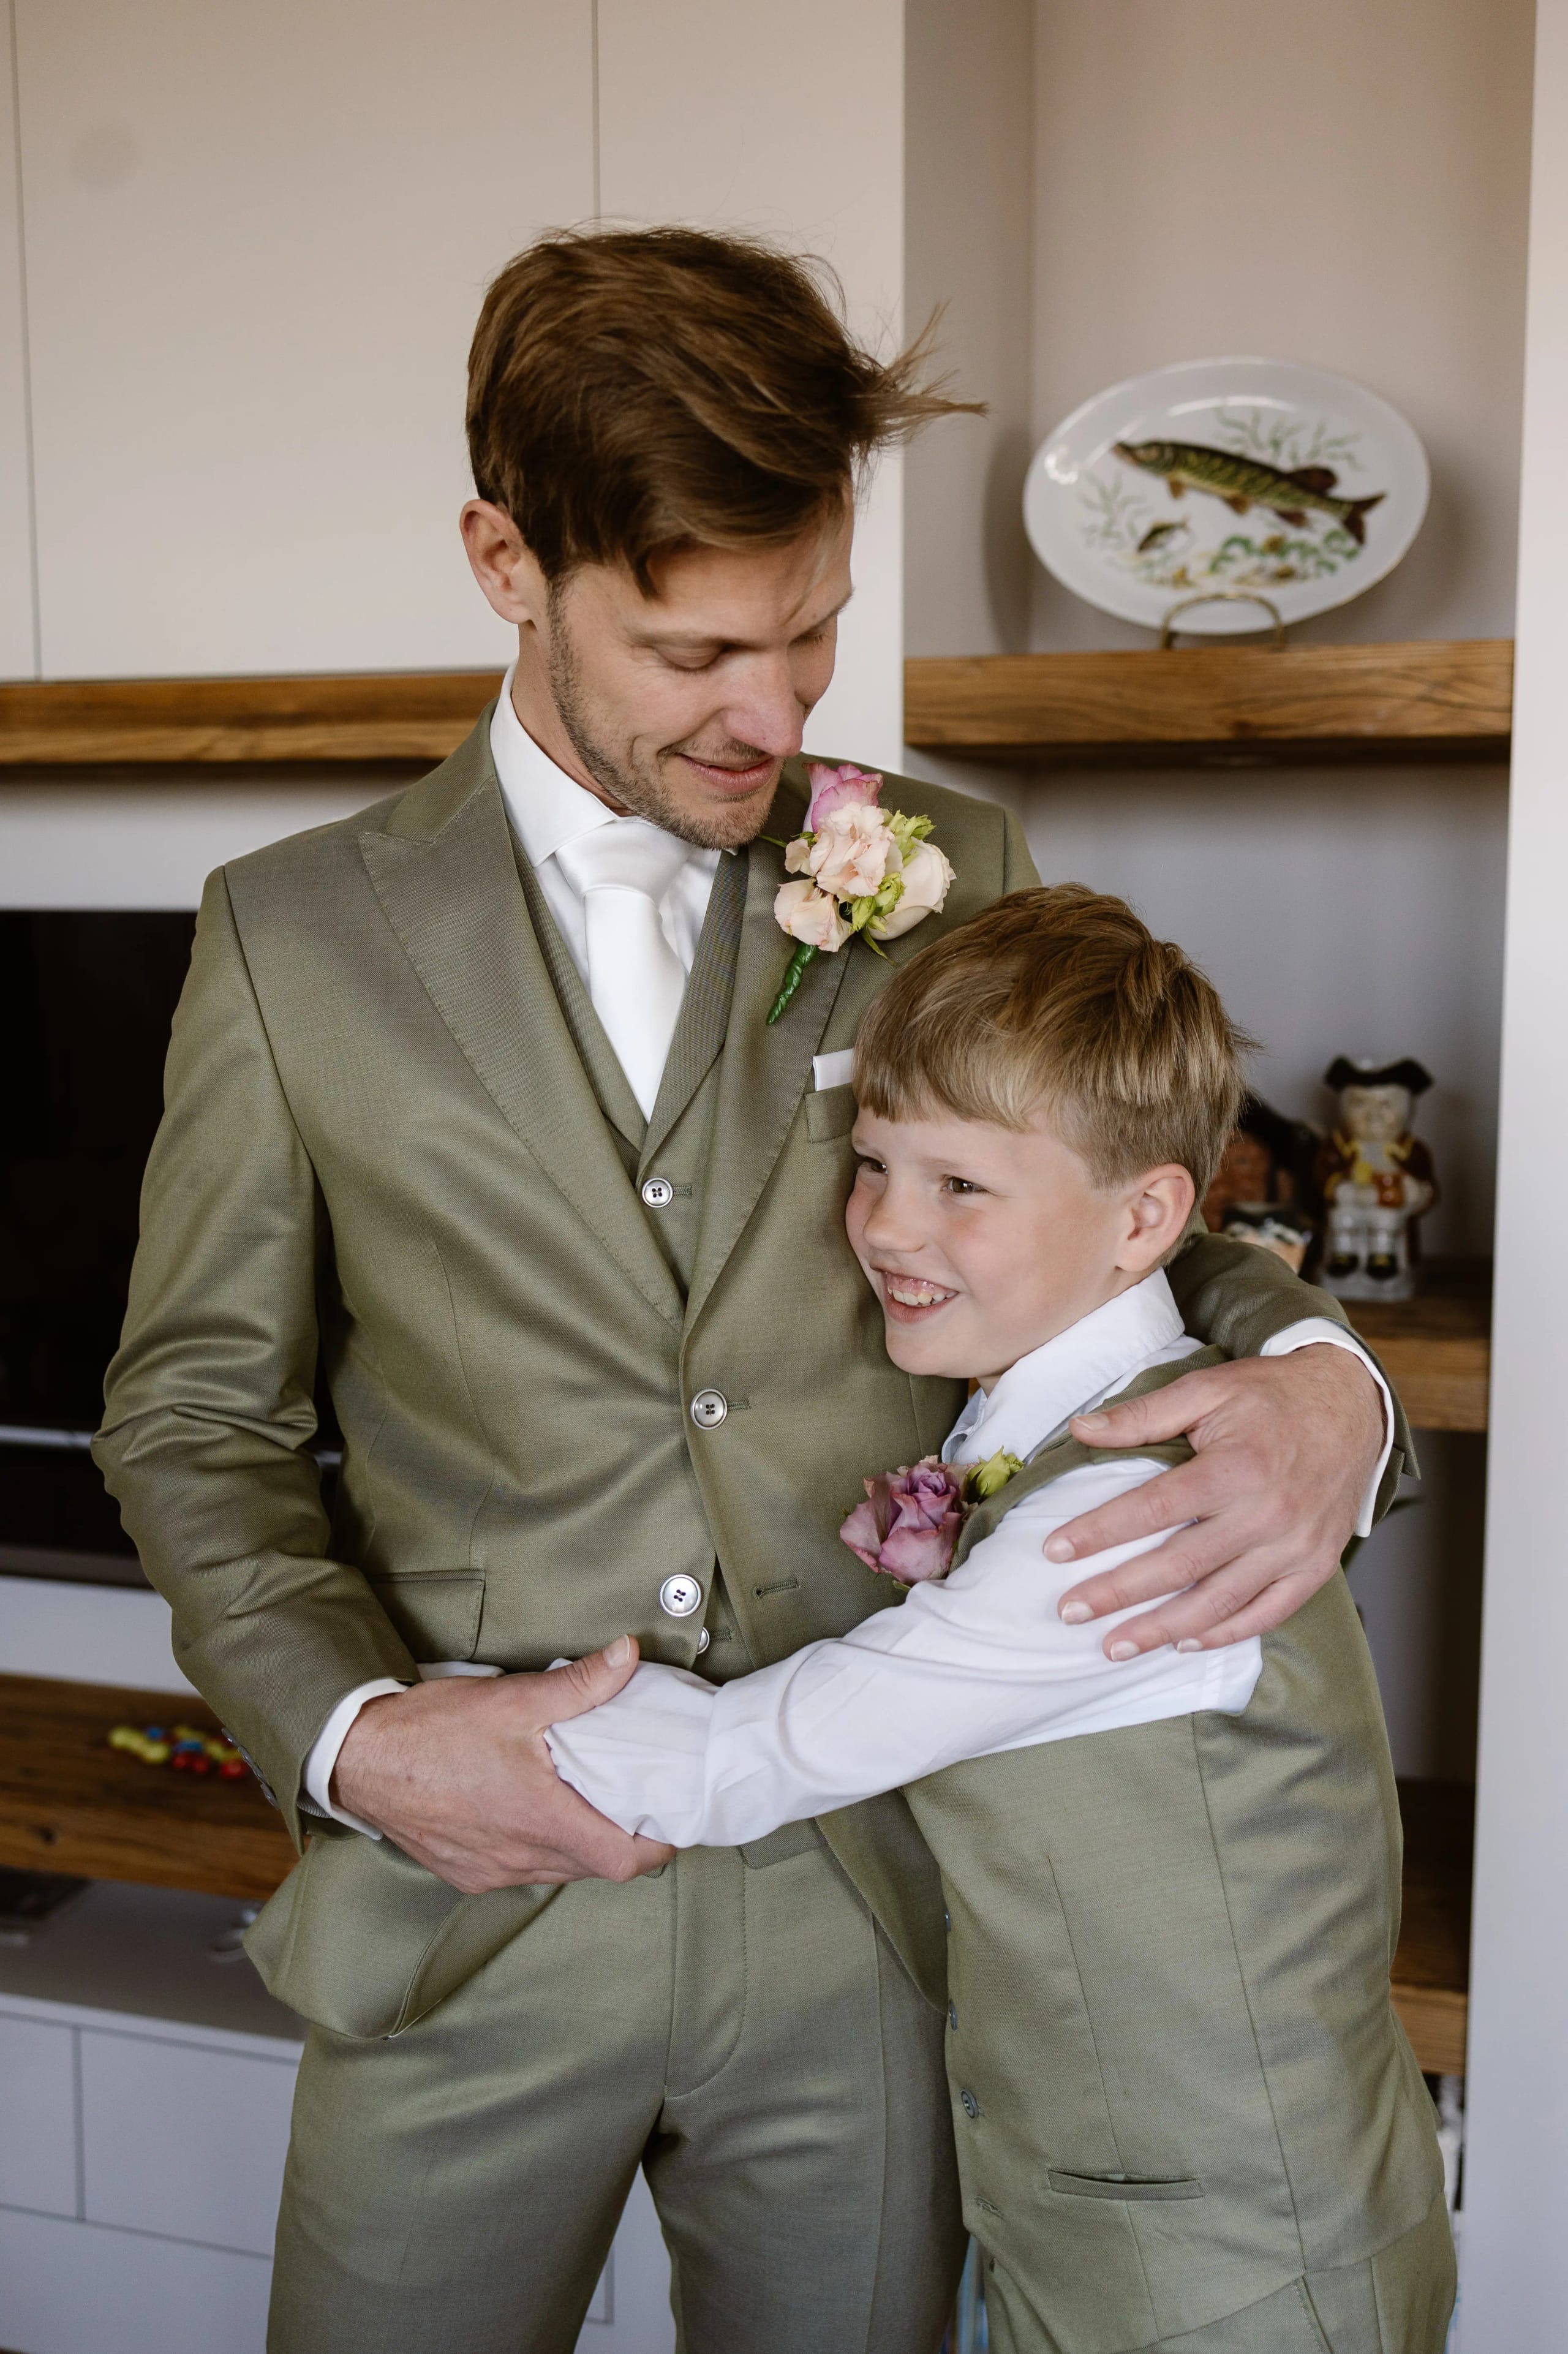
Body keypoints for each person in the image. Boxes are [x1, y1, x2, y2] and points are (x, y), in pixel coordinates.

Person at [94, 227, 1406, 2354]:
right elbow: (193, 1416)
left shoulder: (948, 865)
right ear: (506, 560)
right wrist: (351, 1735)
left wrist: (1330, 1379)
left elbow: (1158, 1225)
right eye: (701, 648)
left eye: (813, 637)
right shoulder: (286, 938)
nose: (776, 715)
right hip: (467, 1915)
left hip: (880, 1916)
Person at [549, 885, 1456, 2354]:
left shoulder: (1116, 1519)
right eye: (872, 1164)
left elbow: (731, 1761)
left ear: (1145, 1216)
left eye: (960, 1187)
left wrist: (422, 1714)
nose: (886, 1227)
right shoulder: (1039, 1423)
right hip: (1095, 2226)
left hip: (1232, 2274)